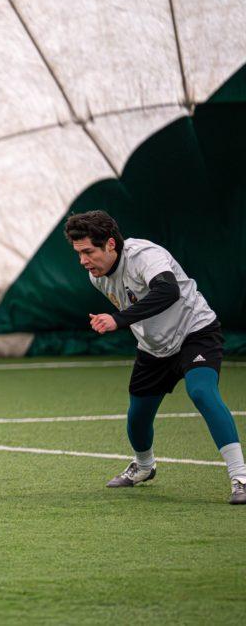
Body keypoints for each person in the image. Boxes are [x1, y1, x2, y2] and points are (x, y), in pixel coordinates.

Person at [65, 210, 245, 504]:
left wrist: (118, 320)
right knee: (137, 416)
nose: (83, 261)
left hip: (195, 332)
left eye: (88, 252)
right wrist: (126, 322)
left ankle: (241, 477)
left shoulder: (144, 255)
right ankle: (144, 467)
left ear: (110, 244)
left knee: (201, 392)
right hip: (153, 349)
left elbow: (168, 291)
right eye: (78, 254)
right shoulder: (97, 278)